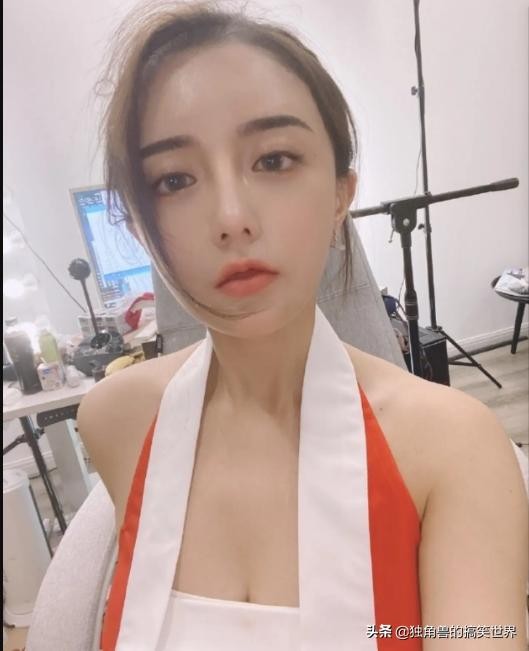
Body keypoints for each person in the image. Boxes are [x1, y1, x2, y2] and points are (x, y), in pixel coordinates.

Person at [77, 3, 528, 650]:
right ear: (139, 223)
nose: (231, 217)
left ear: (341, 192)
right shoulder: (115, 420)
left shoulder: (452, 447)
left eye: (273, 160)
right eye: (174, 179)